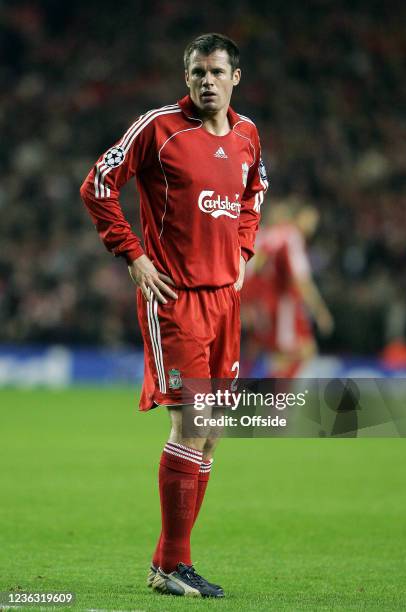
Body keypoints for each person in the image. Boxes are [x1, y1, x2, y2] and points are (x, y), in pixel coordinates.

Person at [80, 33, 268, 598]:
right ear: (185, 78)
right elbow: (98, 184)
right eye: (196, 73)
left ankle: (168, 565)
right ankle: (171, 568)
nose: (205, 81)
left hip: (224, 301)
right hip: (175, 300)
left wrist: (242, 251)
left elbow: (254, 195)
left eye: (215, 72)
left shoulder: (248, 135)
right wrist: (132, 254)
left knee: (211, 435)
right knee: (192, 424)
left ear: (236, 77)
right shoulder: (158, 128)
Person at [242, 197, 332, 378]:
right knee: (297, 351)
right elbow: (301, 280)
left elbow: (254, 267)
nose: (313, 225)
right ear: (298, 216)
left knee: (258, 349)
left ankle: (251, 390)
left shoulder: (267, 234)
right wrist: (320, 312)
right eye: (311, 218)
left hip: (261, 302)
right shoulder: (291, 237)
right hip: (282, 305)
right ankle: (272, 397)